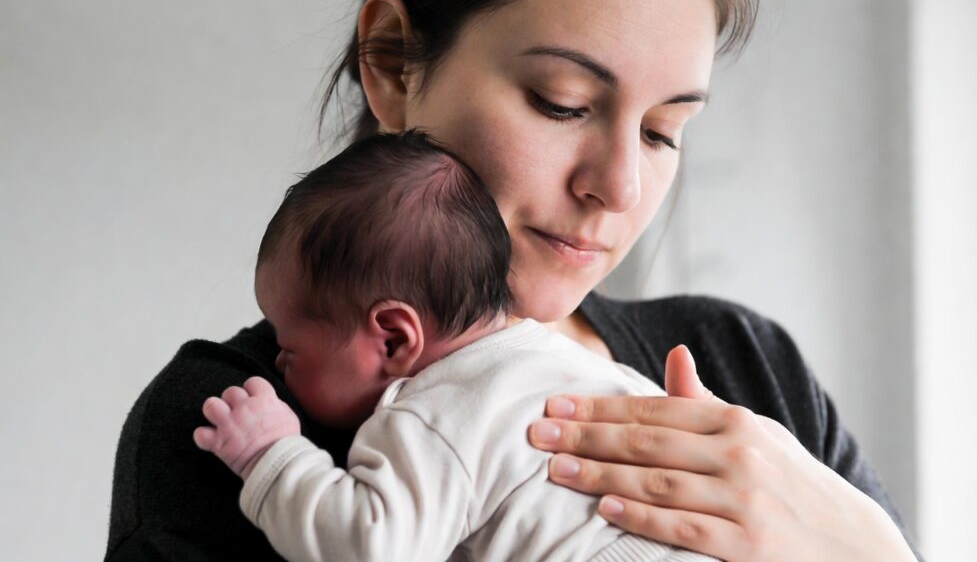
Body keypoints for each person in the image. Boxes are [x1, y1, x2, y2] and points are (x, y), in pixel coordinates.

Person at [105, 0, 923, 561]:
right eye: (563, 102)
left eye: (665, 131)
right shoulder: (234, 423)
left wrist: (866, 548)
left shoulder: (744, 366)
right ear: (392, 63)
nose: (620, 187)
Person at [193, 129, 718, 561]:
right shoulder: (580, 368)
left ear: (395, 339)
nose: (279, 365)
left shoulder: (432, 417)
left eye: (290, 348)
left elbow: (372, 548)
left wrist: (271, 456)